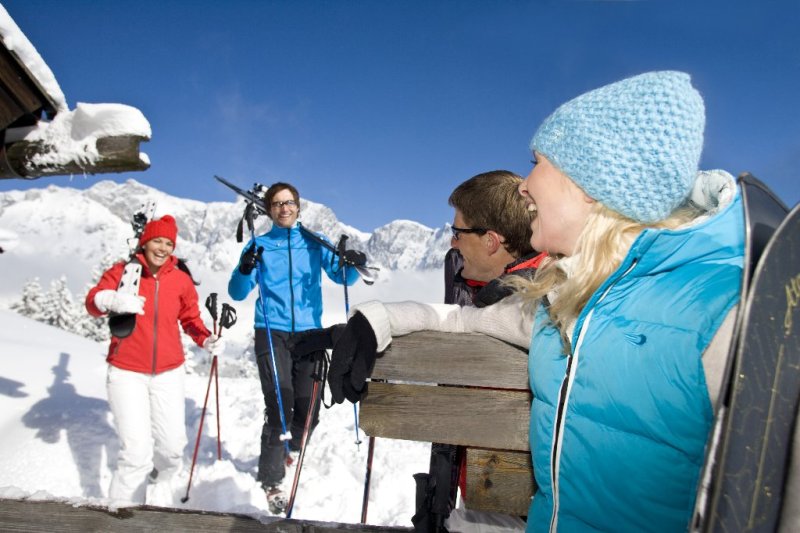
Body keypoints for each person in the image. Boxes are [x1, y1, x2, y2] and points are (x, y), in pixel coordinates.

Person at [320, 71, 746, 531]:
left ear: (590, 183)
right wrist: (377, 319)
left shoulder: (722, 314)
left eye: (537, 163)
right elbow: (462, 320)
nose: (523, 186)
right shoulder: (560, 302)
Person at [227, 181, 361, 512]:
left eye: (289, 203)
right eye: (277, 204)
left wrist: (350, 263)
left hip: (309, 333)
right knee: (279, 406)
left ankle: (290, 448)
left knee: (308, 412)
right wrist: (245, 269)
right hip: (271, 331)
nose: (284, 208)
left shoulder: (315, 242)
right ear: (269, 210)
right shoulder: (259, 245)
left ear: (298, 207)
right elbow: (237, 292)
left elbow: (344, 278)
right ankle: (272, 480)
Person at [85, 214, 224, 506]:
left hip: (169, 373)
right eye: (157, 241)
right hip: (126, 372)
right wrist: (111, 300)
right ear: (145, 242)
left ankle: (159, 476)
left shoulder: (181, 280)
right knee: (136, 455)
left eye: (168, 243)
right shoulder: (123, 272)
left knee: (172, 449)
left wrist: (205, 339)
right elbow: (93, 302)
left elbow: (190, 319)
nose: (162, 248)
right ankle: (124, 516)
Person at [445, 170, 545, 308]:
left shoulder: (542, 307)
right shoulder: (476, 289)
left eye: (457, 233)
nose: (453, 243)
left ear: (490, 241)